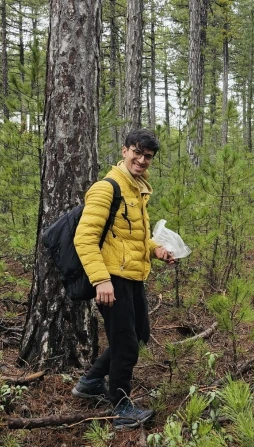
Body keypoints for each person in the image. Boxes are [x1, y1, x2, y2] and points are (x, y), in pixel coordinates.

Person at [71, 128, 174, 430]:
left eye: (147, 156)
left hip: (131, 275)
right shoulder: (107, 188)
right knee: (126, 343)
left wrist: (156, 250)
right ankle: (121, 408)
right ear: (125, 150)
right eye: (137, 152)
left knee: (139, 335)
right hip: (111, 278)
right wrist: (101, 280)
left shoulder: (137, 188)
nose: (141, 160)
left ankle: (91, 381)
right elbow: (85, 238)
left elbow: (131, 237)